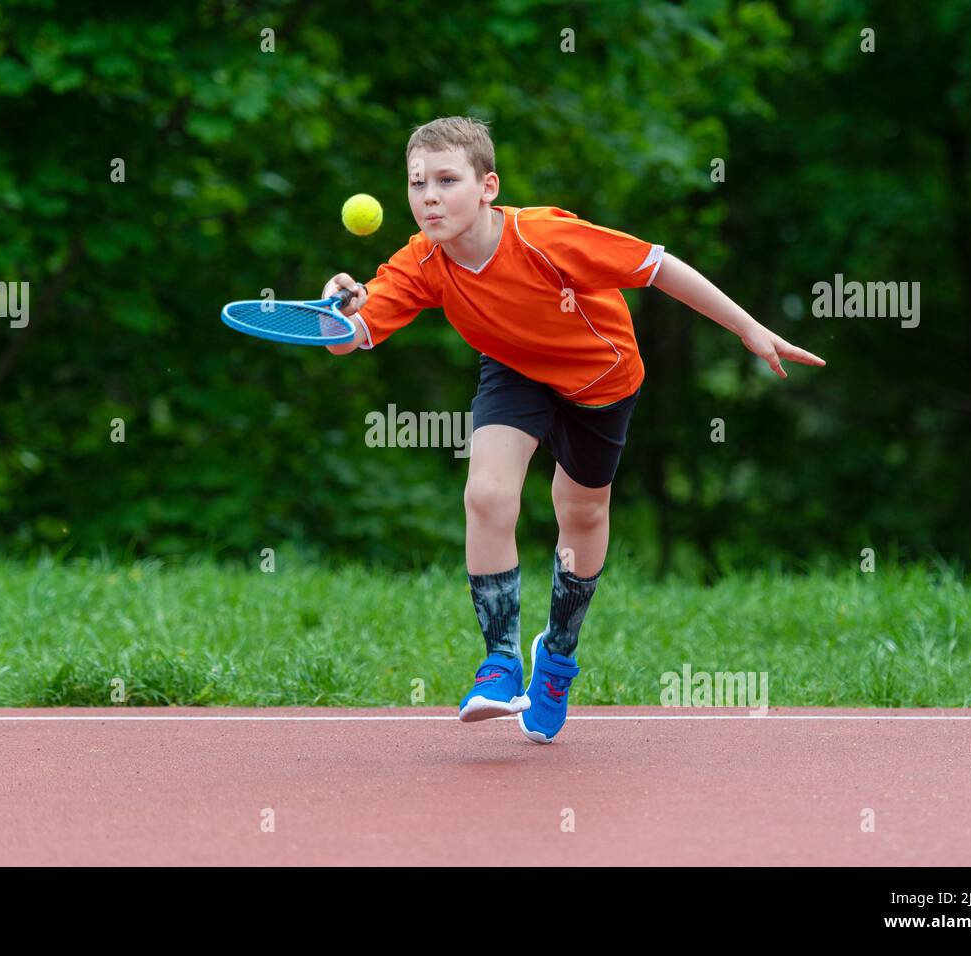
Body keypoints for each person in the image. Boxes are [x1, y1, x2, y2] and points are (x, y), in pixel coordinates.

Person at [323, 116, 825, 743]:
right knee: (486, 496)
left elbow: (658, 266)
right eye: (417, 182)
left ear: (487, 186)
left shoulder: (545, 237)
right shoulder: (422, 261)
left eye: (447, 180)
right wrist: (335, 305)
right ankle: (500, 663)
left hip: (601, 379)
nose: (429, 195)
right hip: (514, 371)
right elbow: (349, 338)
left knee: (580, 515)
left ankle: (556, 658)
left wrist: (749, 327)